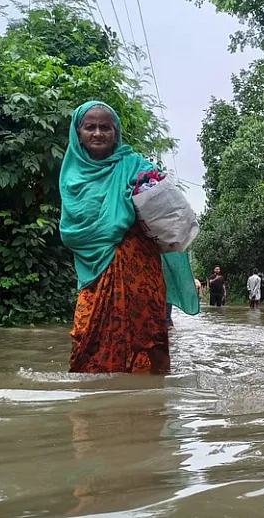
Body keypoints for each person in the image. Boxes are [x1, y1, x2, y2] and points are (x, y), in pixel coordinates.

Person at [59, 101, 197, 374]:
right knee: (86, 334)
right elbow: (73, 232)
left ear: (116, 132)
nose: (98, 133)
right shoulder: (71, 177)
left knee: (150, 336)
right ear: (78, 134)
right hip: (95, 273)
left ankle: (155, 402)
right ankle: (93, 408)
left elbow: (164, 210)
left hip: (139, 269)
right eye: (90, 127)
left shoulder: (134, 166)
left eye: (105, 128)